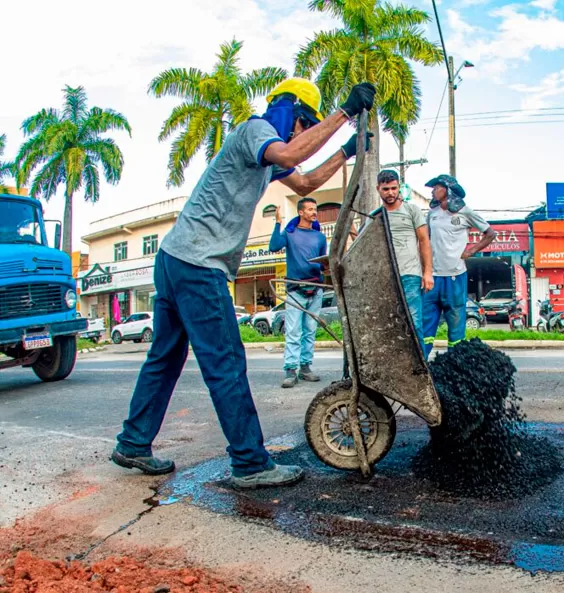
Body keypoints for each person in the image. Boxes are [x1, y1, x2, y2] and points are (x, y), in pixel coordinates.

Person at [110, 78, 376, 489]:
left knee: (165, 358)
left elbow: (305, 183)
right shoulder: (257, 130)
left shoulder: (266, 156)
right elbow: (291, 152)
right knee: (227, 364)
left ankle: (133, 442)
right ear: (290, 113)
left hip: (175, 258)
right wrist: (344, 113)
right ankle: (250, 463)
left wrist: (345, 151)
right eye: (304, 124)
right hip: (199, 265)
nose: (303, 133)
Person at [421, 174, 496, 358]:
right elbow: (425, 241)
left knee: (456, 327)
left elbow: (490, 234)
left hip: (456, 276)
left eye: (436, 187)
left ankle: (455, 363)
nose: (433, 191)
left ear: (448, 190)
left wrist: (471, 251)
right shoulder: (432, 214)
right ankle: (421, 364)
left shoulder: (465, 212)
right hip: (433, 277)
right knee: (425, 325)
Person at [371, 169, 433, 350]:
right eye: (385, 189)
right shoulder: (375, 216)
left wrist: (428, 272)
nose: (390, 193)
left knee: (414, 322)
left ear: (399, 187)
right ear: (378, 189)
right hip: (385, 277)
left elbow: (424, 241)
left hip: (410, 275)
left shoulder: (412, 210)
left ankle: (420, 365)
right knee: (389, 325)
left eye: (394, 188)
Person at [270, 198, 328, 387]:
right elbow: (273, 246)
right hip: (295, 290)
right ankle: (290, 370)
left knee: (310, 330)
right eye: (310, 209)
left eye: (315, 209)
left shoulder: (320, 237)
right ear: (301, 212)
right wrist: (278, 222)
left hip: (316, 289)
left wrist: (326, 266)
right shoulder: (290, 233)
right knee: (294, 331)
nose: (314, 212)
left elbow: (323, 263)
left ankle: (305, 367)